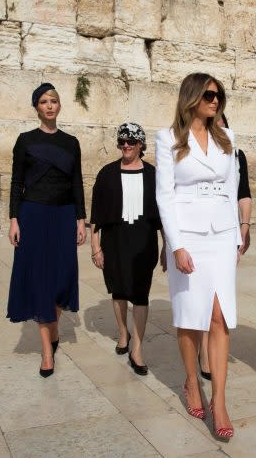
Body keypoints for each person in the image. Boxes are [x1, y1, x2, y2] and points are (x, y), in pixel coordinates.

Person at [155, 72, 241, 439]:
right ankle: (192, 382)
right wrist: (175, 245)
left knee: (220, 317)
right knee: (191, 318)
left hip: (221, 236)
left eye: (219, 95)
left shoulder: (228, 138)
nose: (215, 101)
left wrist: (237, 236)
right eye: (209, 95)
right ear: (191, 96)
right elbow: (165, 195)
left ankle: (219, 400)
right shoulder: (168, 139)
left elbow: (232, 187)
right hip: (188, 236)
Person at [7, 83, 86, 378]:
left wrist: (81, 219)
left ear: (60, 106)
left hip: (64, 215)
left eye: (54, 100)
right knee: (40, 277)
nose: (50, 105)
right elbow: (17, 182)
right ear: (36, 107)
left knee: (63, 277)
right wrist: (14, 219)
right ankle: (46, 352)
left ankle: (54, 329)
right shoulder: (25, 140)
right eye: (44, 101)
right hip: (33, 215)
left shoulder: (71, 142)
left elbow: (77, 182)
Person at [89, 122, 164, 376]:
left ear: (141, 144)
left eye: (131, 141)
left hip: (143, 240)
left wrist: (167, 246)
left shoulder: (153, 174)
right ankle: (123, 334)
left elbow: (163, 215)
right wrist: (95, 247)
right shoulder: (107, 173)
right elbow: (97, 212)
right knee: (118, 290)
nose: (126, 146)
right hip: (114, 240)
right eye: (122, 141)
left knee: (141, 293)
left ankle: (138, 348)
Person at [199, 112, 252, 381]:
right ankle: (204, 353)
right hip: (199, 232)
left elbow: (244, 193)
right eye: (212, 123)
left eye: (221, 123)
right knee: (204, 291)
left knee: (219, 294)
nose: (216, 127)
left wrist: (245, 225)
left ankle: (211, 348)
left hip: (227, 233)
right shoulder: (194, 153)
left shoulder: (236, 156)